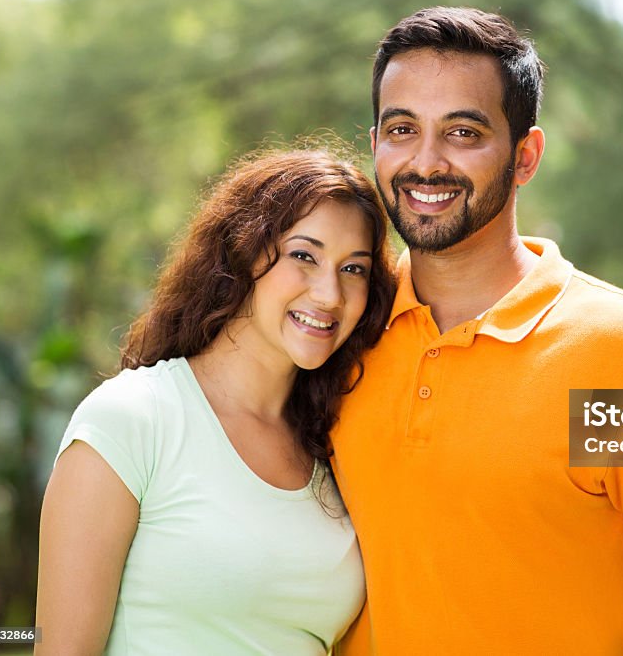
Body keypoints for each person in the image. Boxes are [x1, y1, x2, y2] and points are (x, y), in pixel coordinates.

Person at [330, 7, 623, 655]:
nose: (425, 161)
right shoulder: (338, 331)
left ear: (525, 155)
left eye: (464, 132)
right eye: (402, 129)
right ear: (375, 145)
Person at [34, 145, 395, 655]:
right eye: (303, 256)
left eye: (353, 269)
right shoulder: (133, 420)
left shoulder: (332, 448)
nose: (329, 295)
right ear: (244, 252)